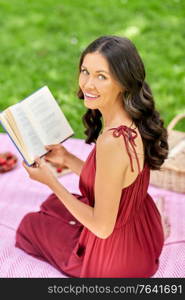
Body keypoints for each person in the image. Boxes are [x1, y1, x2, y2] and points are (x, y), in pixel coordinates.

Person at [15, 35, 170, 278]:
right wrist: (67, 159)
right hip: (141, 235)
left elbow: (102, 228)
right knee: (52, 207)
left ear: (123, 83)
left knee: (30, 224)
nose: (87, 84)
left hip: (115, 261)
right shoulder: (131, 120)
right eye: (85, 71)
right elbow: (112, 179)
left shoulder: (113, 142)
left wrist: (52, 182)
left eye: (101, 76)